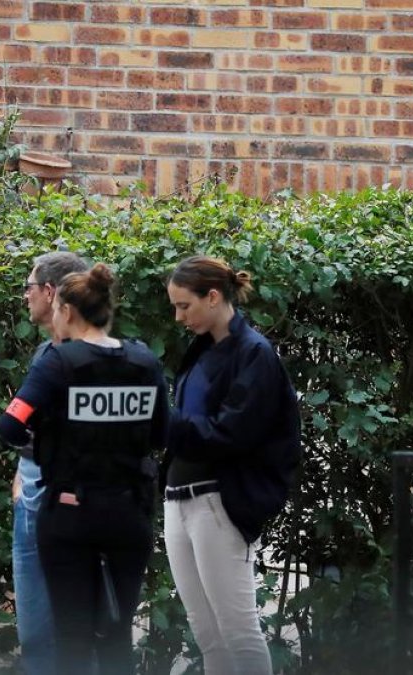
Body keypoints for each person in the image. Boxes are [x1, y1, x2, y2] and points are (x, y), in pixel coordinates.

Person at [0, 263, 169, 675]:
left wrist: (48, 444)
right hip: (129, 513)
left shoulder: (58, 362)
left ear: (68, 311)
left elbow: (10, 424)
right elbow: (161, 433)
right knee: (117, 636)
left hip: (70, 515)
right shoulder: (144, 362)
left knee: (72, 638)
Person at [163, 255, 301, 675]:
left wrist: (164, 426)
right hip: (178, 502)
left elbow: (234, 433)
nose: (178, 316)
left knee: (238, 634)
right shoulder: (202, 350)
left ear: (213, 296)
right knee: (206, 633)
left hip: (219, 503)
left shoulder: (254, 353)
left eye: (184, 305)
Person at [11, 251, 88, 674]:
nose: (25, 295)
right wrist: (20, 474)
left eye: (29, 286)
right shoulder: (44, 352)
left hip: (71, 502)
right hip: (31, 494)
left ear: (50, 292)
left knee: (74, 631)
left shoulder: (93, 357)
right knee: (35, 633)